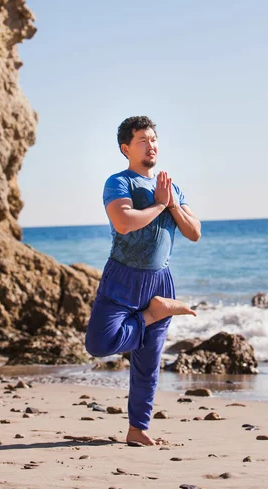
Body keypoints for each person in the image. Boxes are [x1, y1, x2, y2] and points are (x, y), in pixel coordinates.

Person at [85, 116, 201, 446]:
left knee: (148, 363)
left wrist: (173, 204)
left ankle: (138, 428)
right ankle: (155, 312)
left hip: (160, 279)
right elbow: (123, 222)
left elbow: (194, 232)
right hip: (123, 276)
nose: (151, 144)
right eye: (142, 140)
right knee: (99, 344)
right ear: (126, 148)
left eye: (154, 139)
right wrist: (160, 204)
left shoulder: (171, 187)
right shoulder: (119, 182)